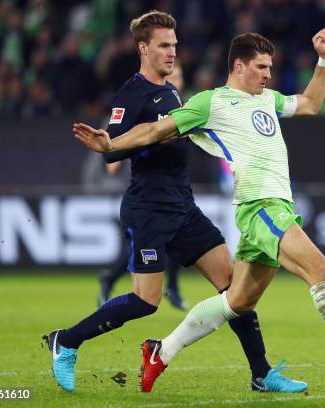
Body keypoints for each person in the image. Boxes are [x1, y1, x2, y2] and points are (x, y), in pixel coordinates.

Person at [73, 29, 325, 392]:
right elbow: (157, 130)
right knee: (319, 269)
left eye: (270, 68)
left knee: (236, 301)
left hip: (277, 207)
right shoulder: (211, 103)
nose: (268, 75)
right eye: (261, 67)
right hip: (259, 206)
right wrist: (112, 143)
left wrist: (323, 60)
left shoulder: (268, 100)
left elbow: (311, 103)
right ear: (239, 65)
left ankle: (161, 351)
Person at [47, 11, 306, 394]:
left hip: (183, 206)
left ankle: (261, 374)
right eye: (164, 46)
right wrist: (137, 141)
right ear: (144, 48)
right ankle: (66, 341)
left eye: (174, 45)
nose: (172, 52)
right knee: (145, 301)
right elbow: (112, 150)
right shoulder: (131, 93)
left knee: (234, 288)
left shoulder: (171, 92)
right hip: (148, 206)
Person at [96, 62, 188, 310]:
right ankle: (111, 278)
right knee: (149, 249)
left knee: (176, 239)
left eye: (179, 76)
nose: (175, 79)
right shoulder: (141, 101)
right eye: (173, 74)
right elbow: (111, 159)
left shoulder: (181, 106)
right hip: (142, 191)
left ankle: (174, 288)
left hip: (174, 189)